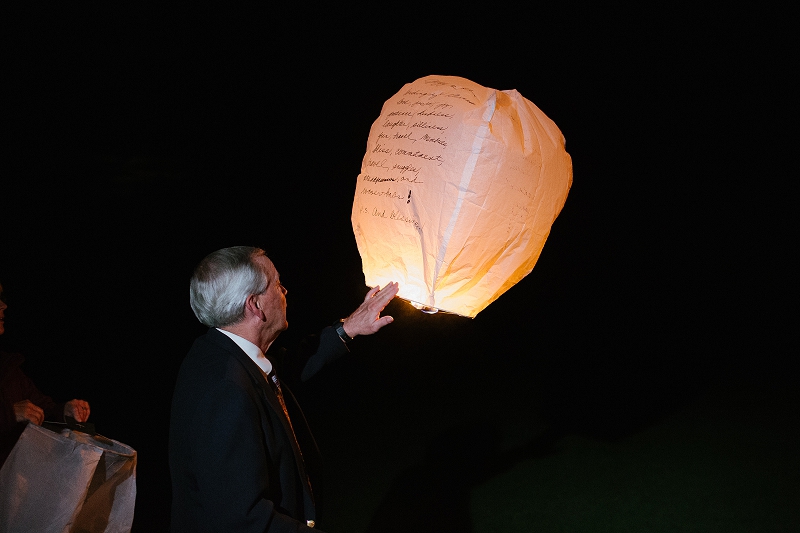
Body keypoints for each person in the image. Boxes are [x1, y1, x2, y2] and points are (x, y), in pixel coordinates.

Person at [169, 246, 398, 532]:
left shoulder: (218, 352)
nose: (285, 291)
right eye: (277, 284)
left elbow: (285, 367)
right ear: (255, 305)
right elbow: (243, 520)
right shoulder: (226, 392)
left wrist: (348, 328)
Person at [0, 282, 91, 469]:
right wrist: (8, 413)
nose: (3, 306)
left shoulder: (8, 367)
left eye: (3, 298)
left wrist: (64, 411)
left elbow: (42, 409)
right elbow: (12, 413)